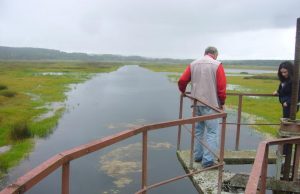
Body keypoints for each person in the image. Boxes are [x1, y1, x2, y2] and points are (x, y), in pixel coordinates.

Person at [178, 46, 226, 168]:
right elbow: (221, 87)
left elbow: (182, 80)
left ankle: (198, 156)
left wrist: (183, 91)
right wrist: (222, 102)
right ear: (215, 54)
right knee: (212, 132)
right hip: (211, 104)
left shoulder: (193, 64)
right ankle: (208, 161)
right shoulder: (217, 64)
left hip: (196, 103)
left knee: (198, 130)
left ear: (204, 53)